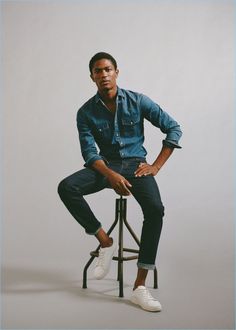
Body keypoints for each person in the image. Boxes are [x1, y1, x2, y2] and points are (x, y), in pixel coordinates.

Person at [58, 52, 182, 312]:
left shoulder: (138, 101)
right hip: (107, 166)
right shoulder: (85, 112)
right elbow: (90, 153)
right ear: (91, 76)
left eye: (108, 69)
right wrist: (110, 175)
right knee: (67, 187)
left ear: (116, 72)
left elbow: (174, 128)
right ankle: (104, 241)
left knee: (156, 210)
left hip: (137, 166)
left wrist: (156, 166)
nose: (103, 74)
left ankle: (139, 287)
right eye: (98, 71)